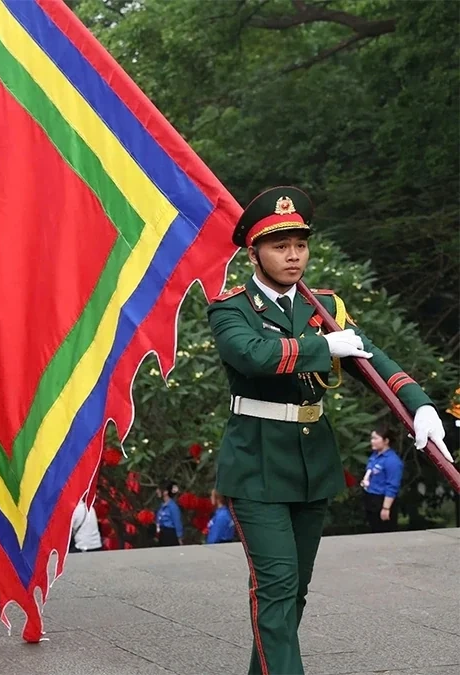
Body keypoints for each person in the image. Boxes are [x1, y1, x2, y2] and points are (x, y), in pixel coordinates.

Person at [207, 186, 453, 675]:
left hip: (311, 462)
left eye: (300, 244)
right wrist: (325, 347)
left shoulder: (325, 307)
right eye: (280, 246)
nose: (293, 255)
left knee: (292, 591)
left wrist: (421, 406)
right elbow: (253, 357)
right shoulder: (230, 308)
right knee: (275, 586)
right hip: (256, 464)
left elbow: (374, 361)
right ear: (253, 252)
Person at [360, 429, 403, 533]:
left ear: (386, 441)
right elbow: (370, 469)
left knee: (384, 532)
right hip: (371, 498)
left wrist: (386, 508)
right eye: (372, 438)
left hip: (382, 500)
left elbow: (392, 486)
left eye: (375, 438)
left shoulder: (392, 461)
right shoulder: (375, 455)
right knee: (373, 529)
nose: (372, 441)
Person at [154, 481, 183, 546]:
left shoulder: (173, 507)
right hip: (162, 533)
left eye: (159, 489)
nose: (157, 491)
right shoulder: (162, 506)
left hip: (170, 534)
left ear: (166, 492)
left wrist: (179, 537)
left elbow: (177, 522)